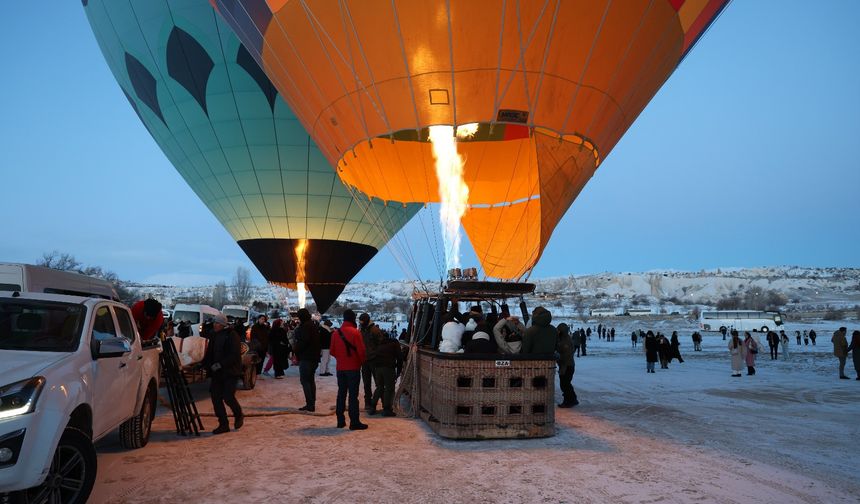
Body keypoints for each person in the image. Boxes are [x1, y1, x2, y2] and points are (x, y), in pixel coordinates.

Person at [202, 313, 243, 434]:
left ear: (223, 324)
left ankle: (238, 414)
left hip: (230, 372)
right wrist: (204, 364)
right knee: (216, 398)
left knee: (228, 397)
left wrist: (221, 364)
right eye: (214, 322)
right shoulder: (214, 335)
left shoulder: (232, 335)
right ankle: (223, 424)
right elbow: (210, 352)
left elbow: (234, 354)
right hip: (217, 373)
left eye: (217, 323)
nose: (215, 325)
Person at [329, 309, 368, 430]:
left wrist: (342, 359)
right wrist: (360, 362)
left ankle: (340, 420)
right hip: (353, 368)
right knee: (353, 396)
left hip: (341, 368)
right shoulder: (355, 333)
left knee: (341, 394)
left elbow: (332, 351)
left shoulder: (336, 333)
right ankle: (354, 422)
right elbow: (361, 352)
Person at [293, 308, 321, 411]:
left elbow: (303, 342)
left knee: (305, 381)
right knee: (310, 380)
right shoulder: (313, 325)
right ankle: (312, 402)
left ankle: (310, 404)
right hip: (314, 357)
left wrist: (295, 349)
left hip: (306, 357)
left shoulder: (305, 327)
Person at [358, 312, 382, 411]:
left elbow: (381, 344)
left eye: (362, 321)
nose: (361, 323)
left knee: (378, 383)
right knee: (366, 383)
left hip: (374, 360)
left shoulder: (375, 330)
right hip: (364, 360)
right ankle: (368, 402)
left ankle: (381, 402)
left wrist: (376, 355)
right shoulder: (360, 330)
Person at [555, 323, 578, 407]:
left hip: (567, 366)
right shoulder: (562, 339)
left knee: (565, 384)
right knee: (566, 384)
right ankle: (573, 399)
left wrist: (558, 357)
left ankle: (568, 401)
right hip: (566, 365)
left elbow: (566, 355)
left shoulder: (566, 341)